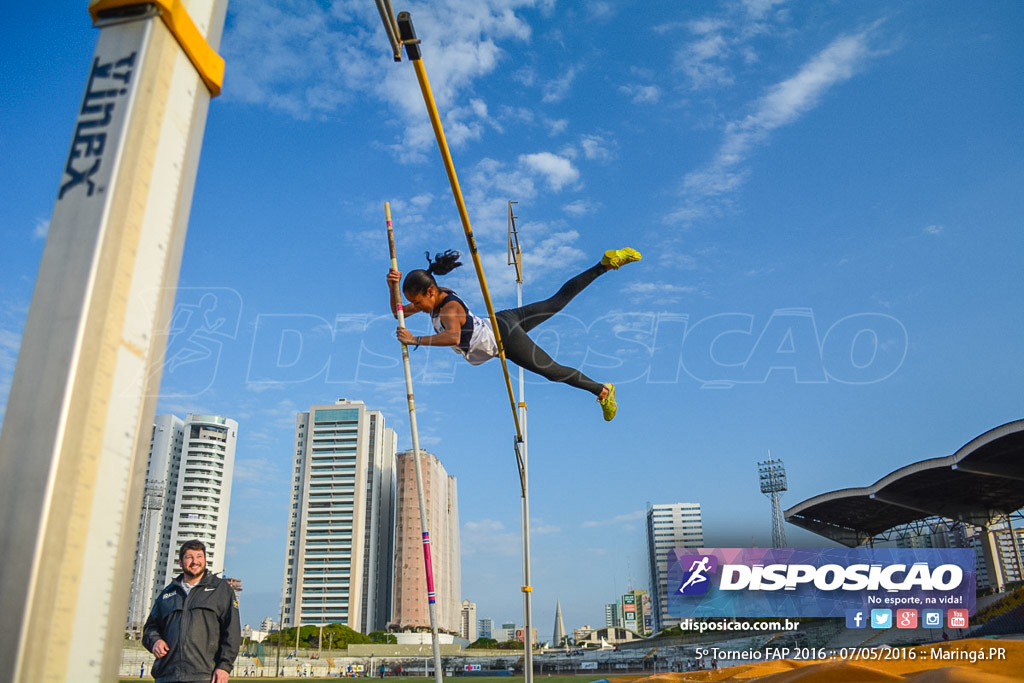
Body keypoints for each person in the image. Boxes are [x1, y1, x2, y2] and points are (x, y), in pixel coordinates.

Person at [387, 247, 641, 421]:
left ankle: (603, 391)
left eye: (418, 302)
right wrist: (392, 287)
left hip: (504, 338)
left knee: (551, 370)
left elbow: (453, 337)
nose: (416, 308)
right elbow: (398, 311)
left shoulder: (449, 310)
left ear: (430, 292)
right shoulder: (436, 297)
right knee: (555, 302)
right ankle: (605, 265)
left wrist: (415, 340)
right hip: (501, 320)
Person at [142, 539, 240, 683]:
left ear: (205, 560)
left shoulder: (221, 590)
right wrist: (155, 641)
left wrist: (224, 667)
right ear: (181, 562)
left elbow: (232, 632)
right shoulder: (168, 593)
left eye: (199, 556)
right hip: (167, 676)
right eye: (189, 557)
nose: (195, 561)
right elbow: (150, 628)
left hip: (205, 676)